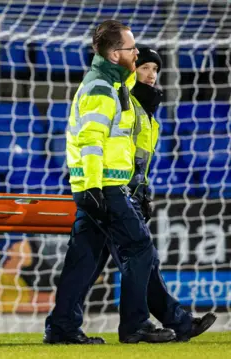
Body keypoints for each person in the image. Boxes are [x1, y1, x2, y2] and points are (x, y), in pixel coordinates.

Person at [43, 20, 176, 344]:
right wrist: (90, 187)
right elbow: (91, 139)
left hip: (104, 184)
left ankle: (62, 327)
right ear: (117, 54)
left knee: (85, 256)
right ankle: (135, 326)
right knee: (139, 248)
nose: (136, 52)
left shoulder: (112, 84)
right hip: (105, 186)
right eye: (131, 48)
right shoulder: (102, 87)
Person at [79, 47, 216, 342]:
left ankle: (176, 323)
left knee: (128, 260)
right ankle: (136, 326)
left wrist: (145, 192)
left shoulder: (147, 109)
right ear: (132, 70)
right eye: (145, 68)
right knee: (137, 256)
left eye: (155, 69)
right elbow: (112, 150)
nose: (152, 74)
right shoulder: (125, 104)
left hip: (127, 192)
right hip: (113, 191)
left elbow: (140, 159)